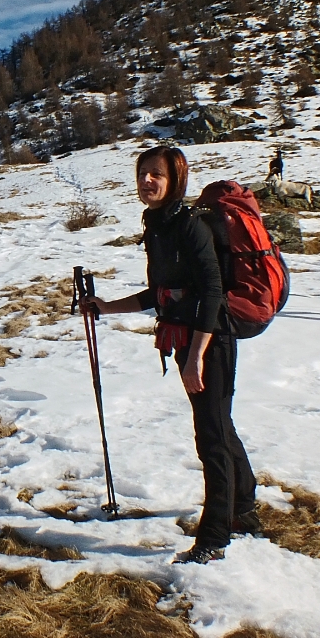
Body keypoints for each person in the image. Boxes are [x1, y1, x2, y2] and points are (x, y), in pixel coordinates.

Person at [87, 145, 258, 565]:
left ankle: (214, 539)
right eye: (143, 173)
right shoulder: (158, 226)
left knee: (211, 437)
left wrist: (196, 356)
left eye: (156, 174)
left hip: (210, 339)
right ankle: (246, 511)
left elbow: (213, 292)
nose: (148, 181)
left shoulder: (191, 227)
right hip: (186, 338)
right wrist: (107, 307)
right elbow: (160, 293)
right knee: (219, 423)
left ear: (175, 179)